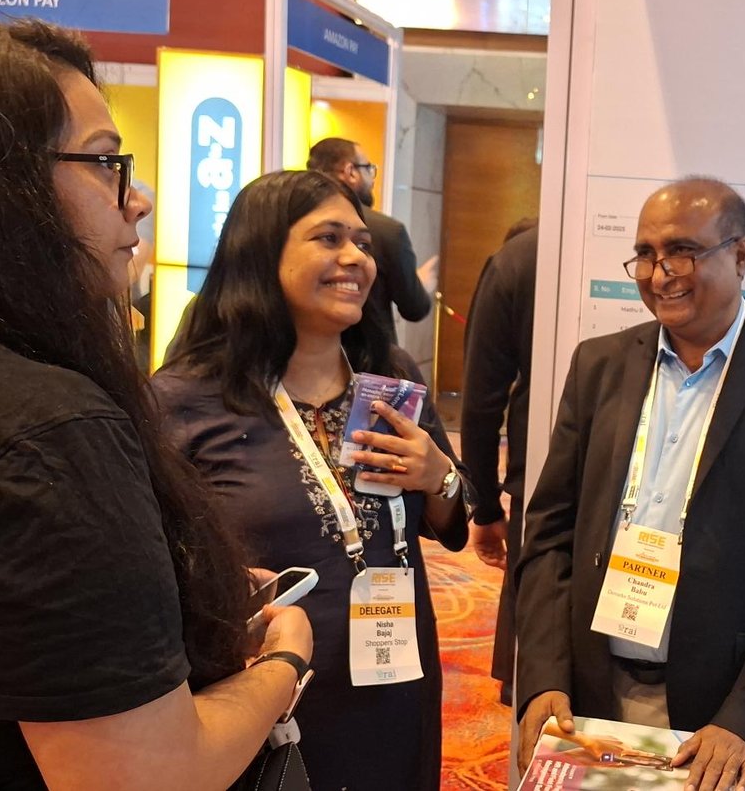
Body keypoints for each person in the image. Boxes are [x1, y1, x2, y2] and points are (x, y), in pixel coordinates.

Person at [0, 15, 312, 790]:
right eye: (104, 162)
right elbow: (147, 777)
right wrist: (284, 660)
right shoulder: (39, 429)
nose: (138, 200)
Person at [514, 178, 745, 791]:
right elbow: (549, 535)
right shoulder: (599, 365)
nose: (660, 274)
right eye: (645, 254)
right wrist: (545, 675)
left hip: (725, 719)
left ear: (741, 255)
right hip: (593, 699)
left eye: (681, 251)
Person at [153, 169, 472, 791]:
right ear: (261, 253)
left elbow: (453, 525)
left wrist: (440, 478)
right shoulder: (185, 400)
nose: (355, 257)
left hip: (395, 675)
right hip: (265, 694)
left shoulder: (390, 379)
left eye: (363, 243)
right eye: (329, 238)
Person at [461, 217, 539, 704]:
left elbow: (480, 404)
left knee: (534, 601)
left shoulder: (515, 260)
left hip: (539, 475)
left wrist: (486, 509)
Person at [307, 136, 432, 339]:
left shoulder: (294, 221)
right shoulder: (387, 231)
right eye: (368, 168)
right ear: (350, 171)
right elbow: (415, 308)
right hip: (369, 351)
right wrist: (421, 285)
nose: (354, 257)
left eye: (363, 245)